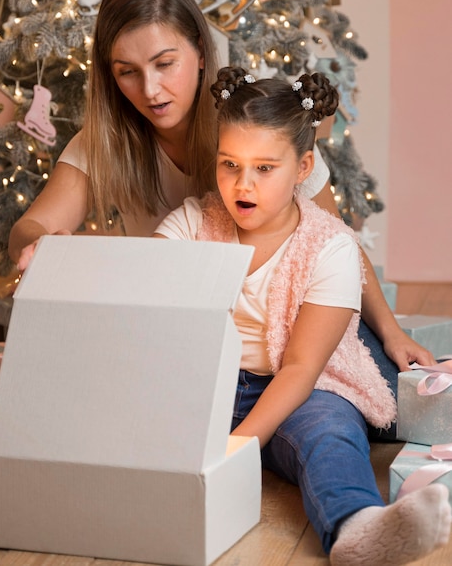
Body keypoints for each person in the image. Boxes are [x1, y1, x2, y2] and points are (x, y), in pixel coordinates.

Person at [0, 0, 435, 525]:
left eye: (166, 62)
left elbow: (335, 245)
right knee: (70, 422)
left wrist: (389, 329)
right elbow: (31, 229)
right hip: (189, 346)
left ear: (200, 51)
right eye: (127, 71)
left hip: (288, 348)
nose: (151, 88)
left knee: (333, 424)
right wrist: (43, 246)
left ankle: (358, 521)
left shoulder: (262, 130)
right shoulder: (110, 144)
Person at [153, 66, 451, 565]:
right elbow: (143, 296)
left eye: (264, 168)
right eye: (230, 164)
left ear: (304, 166)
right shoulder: (192, 223)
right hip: (208, 387)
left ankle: (358, 527)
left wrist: (233, 449)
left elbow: (300, 369)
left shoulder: (328, 247)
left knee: (332, 435)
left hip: (300, 390)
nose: (242, 184)